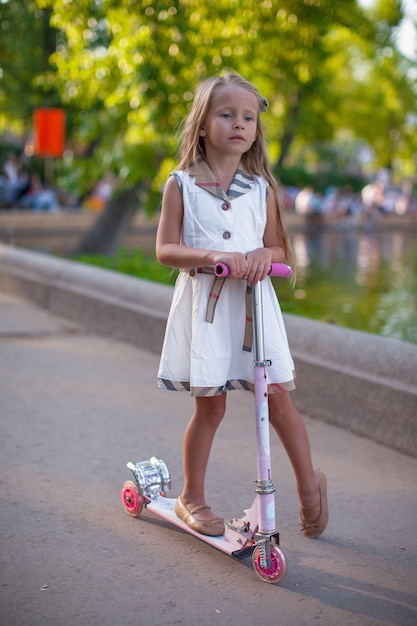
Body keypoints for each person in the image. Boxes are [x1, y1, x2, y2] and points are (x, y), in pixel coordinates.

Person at [156, 71, 328, 539]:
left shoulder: (261, 189)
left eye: (248, 117)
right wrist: (214, 257)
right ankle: (192, 497)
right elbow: (166, 250)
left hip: (255, 307)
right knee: (210, 408)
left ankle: (310, 488)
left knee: (277, 401)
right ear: (202, 125)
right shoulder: (181, 185)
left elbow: (277, 251)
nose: (239, 124)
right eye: (227, 114)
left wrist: (258, 256)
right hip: (209, 311)